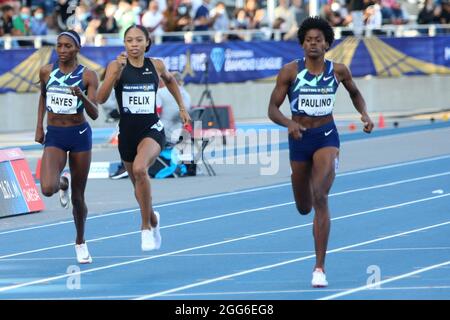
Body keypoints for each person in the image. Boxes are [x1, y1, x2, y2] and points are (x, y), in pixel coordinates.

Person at [267, 16, 374, 288]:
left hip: (327, 136)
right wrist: (289, 122)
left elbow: (355, 93)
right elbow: (272, 109)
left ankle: (319, 267)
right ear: (302, 44)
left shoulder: (338, 71)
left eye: (318, 40)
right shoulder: (290, 72)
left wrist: (364, 114)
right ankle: (306, 203)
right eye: (308, 40)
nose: (313, 44)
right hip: (299, 139)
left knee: (320, 196)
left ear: (327, 44)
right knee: (304, 207)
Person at [97, 25, 191, 251]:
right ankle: (154, 219)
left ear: (147, 42)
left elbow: (170, 80)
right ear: (125, 44)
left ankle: (145, 227)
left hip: (152, 130)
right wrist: (114, 74)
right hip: (127, 134)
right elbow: (100, 98)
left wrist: (181, 107)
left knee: (140, 170)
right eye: (129, 40)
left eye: (139, 40)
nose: (134, 44)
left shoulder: (156, 65)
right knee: (137, 186)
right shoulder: (115, 66)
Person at [35, 30, 99, 264]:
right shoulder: (46, 71)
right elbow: (43, 97)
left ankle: (80, 241)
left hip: (79, 134)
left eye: (67, 46)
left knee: (78, 197)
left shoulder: (88, 75)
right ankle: (63, 181)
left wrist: (81, 96)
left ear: (77, 49)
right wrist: (39, 127)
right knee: (48, 188)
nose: (62, 50)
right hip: (55, 135)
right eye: (59, 46)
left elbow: (94, 113)